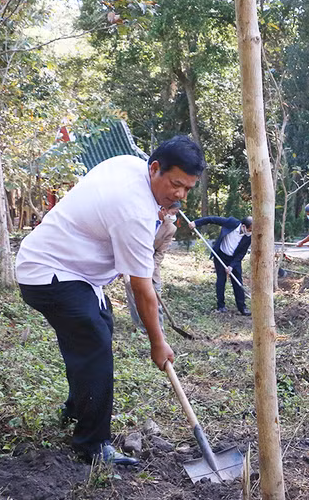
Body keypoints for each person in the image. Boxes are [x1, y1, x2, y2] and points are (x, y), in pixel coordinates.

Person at [16, 135, 205, 465]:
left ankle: (77, 408)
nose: (179, 195)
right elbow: (142, 289)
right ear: (155, 168)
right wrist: (157, 343)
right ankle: (92, 445)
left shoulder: (130, 165)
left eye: (187, 189)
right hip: (50, 271)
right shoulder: (133, 211)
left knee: (98, 327)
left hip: (76, 272)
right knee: (95, 343)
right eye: (176, 184)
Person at [124, 202, 180, 332]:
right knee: (132, 293)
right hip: (133, 260)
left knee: (155, 297)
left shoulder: (170, 228)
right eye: (173, 212)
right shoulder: (145, 219)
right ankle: (140, 327)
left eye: (176, 213)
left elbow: (161, 252)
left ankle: (158, 329)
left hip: (152, 266)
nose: (173, 216)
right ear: (164, 209)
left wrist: (149, 268)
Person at [189, 215, 253, 316]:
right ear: (243, 226)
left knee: (238, 282)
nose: (251, 232)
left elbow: (241, 253)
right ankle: (221, 306)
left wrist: (231, 266)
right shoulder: (231, 222)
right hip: (221, 255)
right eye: (250, 229)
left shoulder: (248, 237)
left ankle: (242, 308)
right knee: (221, 281)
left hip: (234, 259)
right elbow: (211, 219)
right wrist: (196, 223)